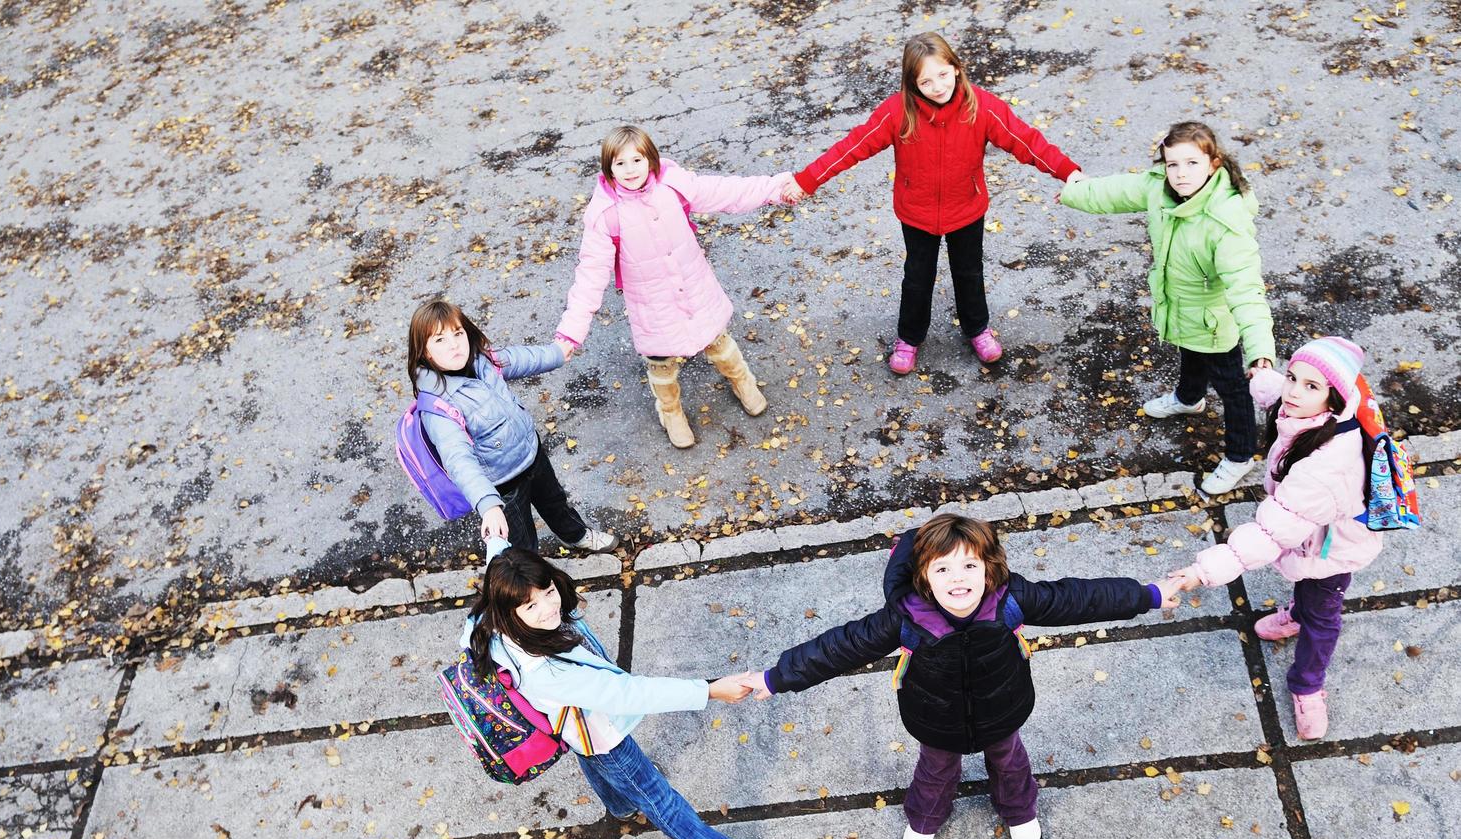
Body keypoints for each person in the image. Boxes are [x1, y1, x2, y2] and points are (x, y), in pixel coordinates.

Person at [740, 513, 1180, 839]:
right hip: (936, 716)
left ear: (989, 569)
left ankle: (1019, 811)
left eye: (970, 565)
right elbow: (840, 646)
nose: (958, 578)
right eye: (943, 568)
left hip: (1001, 706)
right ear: (923, 576)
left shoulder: (1009, 600)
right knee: (935, 769)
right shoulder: (906, 617)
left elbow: (1081, 598)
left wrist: (1148, 595)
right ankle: (925, 818)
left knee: (1009, 760)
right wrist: (776, 678)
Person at [781, 31, 1082, 375]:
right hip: (917, 213)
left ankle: (977, 328)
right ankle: (909, 337)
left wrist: (1067, 171)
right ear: (912, 84)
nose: (937, 87)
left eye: (942, 74)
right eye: (926, 81)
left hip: (966, 208)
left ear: (955, 68)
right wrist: (806, 180)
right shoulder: (897, 112)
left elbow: (1024, 140)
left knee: (969, 273)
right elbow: (852, 147)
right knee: (917, 278)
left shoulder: (980, 106)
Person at [471, 541, 774, 839]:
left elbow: (500, 565)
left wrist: (493, 527)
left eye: (549, 590)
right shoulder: (547, 672)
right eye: (531, 606)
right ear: (510, 611)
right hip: (603, 733)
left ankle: (621, 806)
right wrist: (710, 690)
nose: (549, 607)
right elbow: (627, 693)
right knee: (660, 800)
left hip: (575, 729)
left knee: (591, 759)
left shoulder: (490, 622)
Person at [1169, 337, 1382, 739]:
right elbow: (1280, 397)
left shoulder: (1325, 469)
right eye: (1292, 377)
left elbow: (1271, 531)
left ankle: (1308, 685)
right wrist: (1265, 375)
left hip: (1331, 550)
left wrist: (1204, 571)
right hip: (1313, 533)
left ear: (1335, 397)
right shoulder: (1324, 409)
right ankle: (1298, 614)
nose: (1294, 392)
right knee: (1308, 593)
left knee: (1323, 615)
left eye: (1311, 386)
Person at [1059, 120, 1276, 495]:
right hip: (1182, 309)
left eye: (1192, 163)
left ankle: (1240, 456)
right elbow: (1113, 192)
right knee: (1190, 355)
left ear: (1214, 163)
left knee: (1232, 387)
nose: (1180, 174)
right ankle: (1189, 399)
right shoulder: (1159, 187)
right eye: (1173, 164)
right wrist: (1073, 192)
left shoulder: (1225, 224)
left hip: (1213, 323)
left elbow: (1247, 289)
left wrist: (1261, 353)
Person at [556, 124, 795, 448]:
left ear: (651, 159)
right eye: (620, 163)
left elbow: (727, 192)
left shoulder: (673, 185)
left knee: (719, 343)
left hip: (694, 288)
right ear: (608, 169)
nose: (630, 170)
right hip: (652, 305)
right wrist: (570, 333)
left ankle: (742, 381)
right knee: (661, 365)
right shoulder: (605, 215)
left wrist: (777, 188)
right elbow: (590, 275)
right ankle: (670, 411)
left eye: (637, 160)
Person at [407, 299, 615, 554]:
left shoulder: (481, 359)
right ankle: (535, 580)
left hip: (530, 452)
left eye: (458, 333)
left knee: (556, 503)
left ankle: (575, 534)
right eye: (439, 340)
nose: (454, 345)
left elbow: (517, 359)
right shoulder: (439, 406)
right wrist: (488, 505)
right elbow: (458, 459)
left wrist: (556, 354)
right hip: (503, 483)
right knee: (522, 541)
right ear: (425, 352)